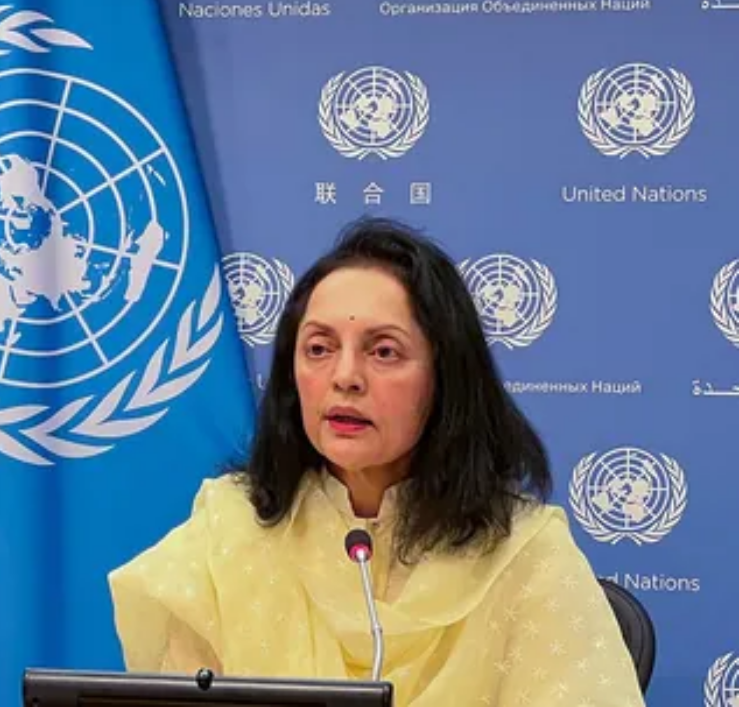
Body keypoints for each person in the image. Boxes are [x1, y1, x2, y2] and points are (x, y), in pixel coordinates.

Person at [108, 218, 645, 706]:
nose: (345, 377)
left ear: (446, 377)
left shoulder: (526, 555)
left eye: (383, 351)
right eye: (318, 348)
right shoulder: (226, 532)